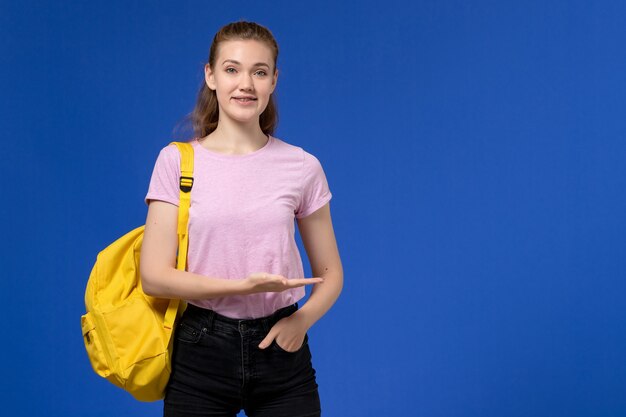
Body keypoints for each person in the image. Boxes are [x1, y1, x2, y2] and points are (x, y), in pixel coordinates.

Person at [140, 20, 343, 417]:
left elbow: (331, 274)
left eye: (259, 71)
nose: (245, 83)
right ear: (211, 76)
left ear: (273, 80)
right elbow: (153, 275)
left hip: (282, 351)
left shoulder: (301, 166)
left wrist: (300, 323)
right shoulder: (177, 162)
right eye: (232, 69)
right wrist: (239, 287)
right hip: (201, 348)